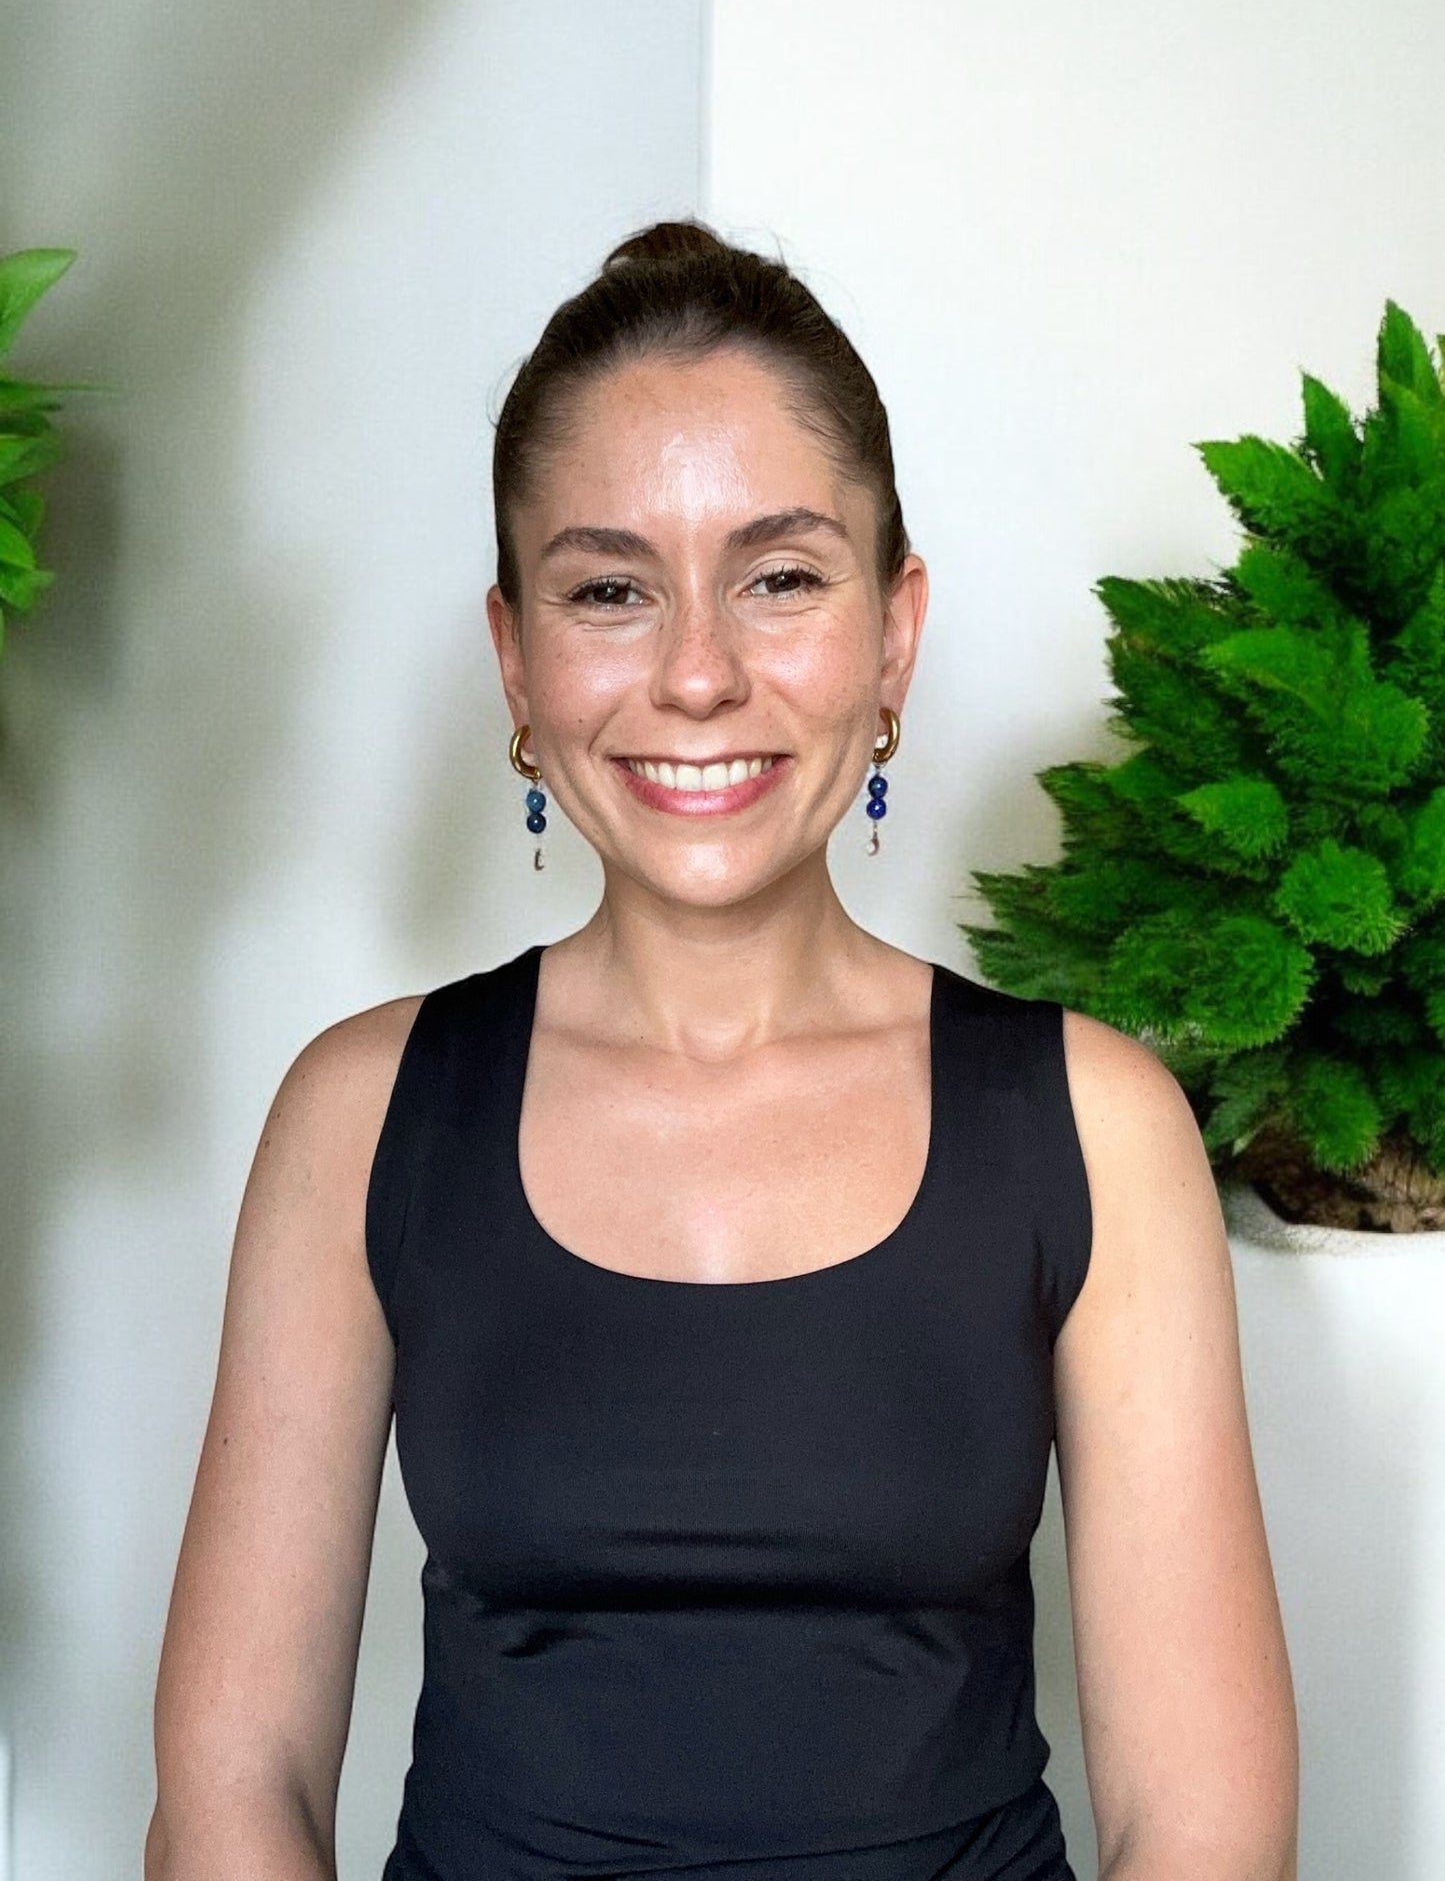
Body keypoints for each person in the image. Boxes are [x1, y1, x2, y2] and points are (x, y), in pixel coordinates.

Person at [146, 218, 1299, 1881]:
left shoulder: (1090, 1124)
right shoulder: (364, 1114)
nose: (697, 674)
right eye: (610, 589)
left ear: (892, 633)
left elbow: (1206, 1830)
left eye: (779, 577)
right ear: (515, 661)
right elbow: (232, 1785)